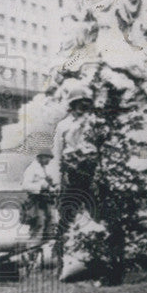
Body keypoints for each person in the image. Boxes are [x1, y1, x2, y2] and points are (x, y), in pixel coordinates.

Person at [52, 86, 95, 258]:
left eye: (86, 105)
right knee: (67, 211)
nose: (82, 109)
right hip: (71, 174)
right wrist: (57, 180)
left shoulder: (92, 124)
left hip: (92, 171)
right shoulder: (63, 126)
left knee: (96, 210)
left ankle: (94, 250)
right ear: (72, 105)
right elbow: (57, 154)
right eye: (79, 105)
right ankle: (60, 250)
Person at [20, 148, 57, 239]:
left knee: (51, 224)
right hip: (35, 201)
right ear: (41, 157)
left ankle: (46, 245)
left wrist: (53, 186)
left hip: (46, 201)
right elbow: (25, 186)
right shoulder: (31, 169)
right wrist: (42, 186)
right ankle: (32, 248)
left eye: (50, 158)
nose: (49, 160)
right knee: (39, 224)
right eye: (47, 158)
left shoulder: (44, 169)